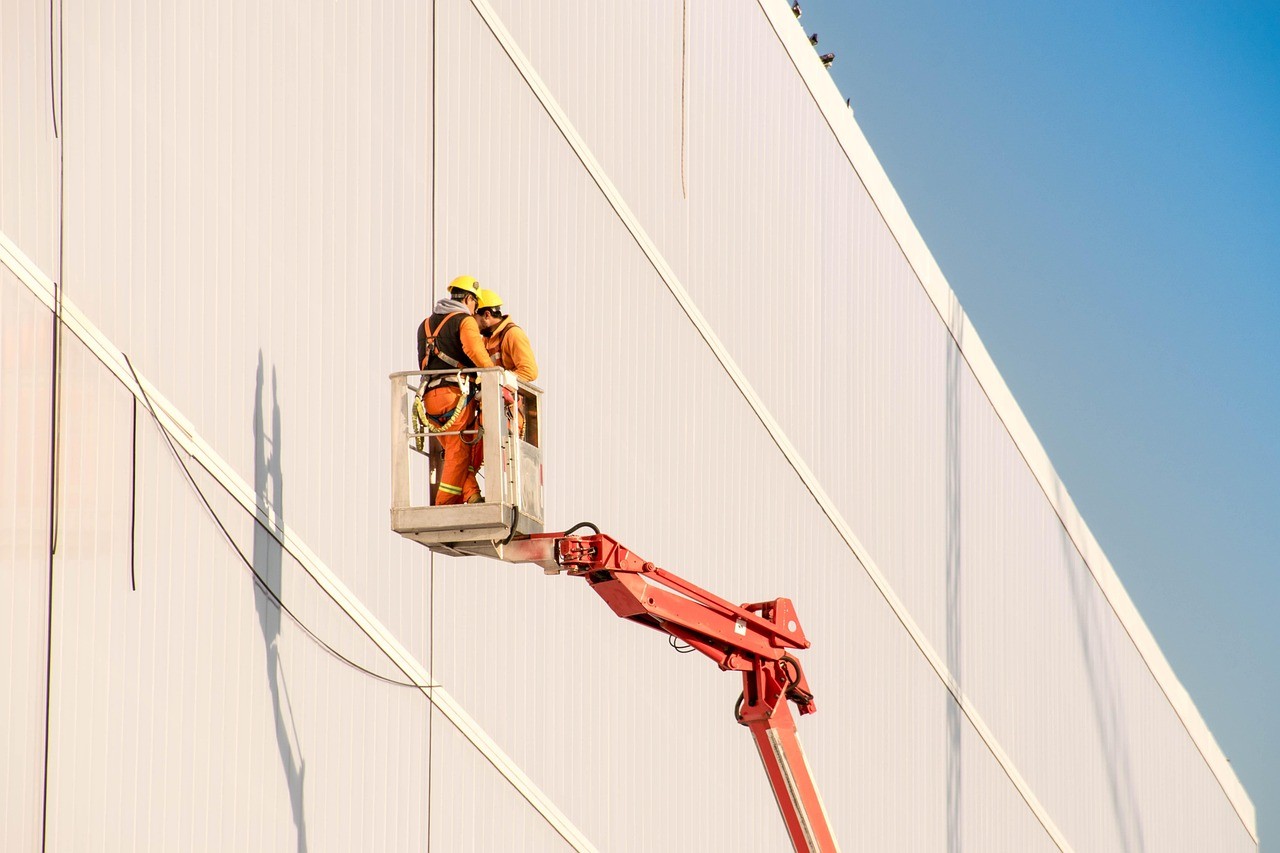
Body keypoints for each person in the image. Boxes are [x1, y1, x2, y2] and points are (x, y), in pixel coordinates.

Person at [417, 275, 494, 505]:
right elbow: (479, 357)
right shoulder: (464, 320)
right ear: (469, 299)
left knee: (454, 451)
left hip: (430, 401)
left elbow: (422, 363)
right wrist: (497, 378)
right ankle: (444, 505)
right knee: (459, 454)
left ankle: (471, 496)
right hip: (455, 398)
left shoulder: (426, 324)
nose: (475, 310)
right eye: (475, 304)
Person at [475, 289, 539, 382]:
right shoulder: (486, 339)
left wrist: (500, 382)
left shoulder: (513, 334)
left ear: (487, 315)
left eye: (474, 319)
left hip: (509, 395)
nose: (472, 324)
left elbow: (529, 371)